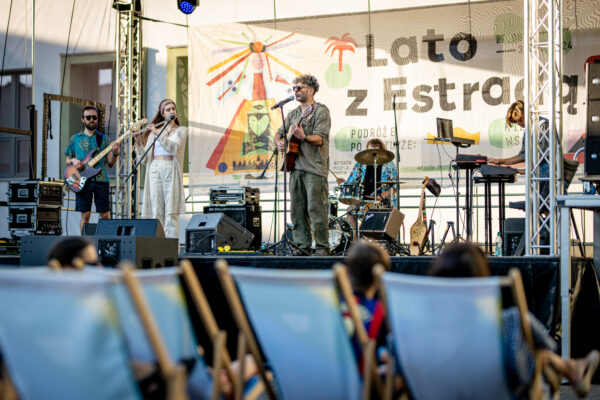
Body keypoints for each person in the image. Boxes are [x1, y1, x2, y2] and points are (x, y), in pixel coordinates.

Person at [428, 242, 600, 398]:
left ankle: (571, 369)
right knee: (535, 351)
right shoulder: (510, 322)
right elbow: (547, 347)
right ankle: (570, 369)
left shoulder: (420, 331)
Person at [274, 75, 331, 256]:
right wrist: (279, 142)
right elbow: (278, 133)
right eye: (294, 88)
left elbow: (320, 138)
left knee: (316, 211)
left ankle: (322, 248)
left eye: (299, 87)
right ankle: (302, 246)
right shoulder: (293, 113)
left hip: (315, 168)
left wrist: (303, 137)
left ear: (311, 90)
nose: (296, 91)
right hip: (295, 167)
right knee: (297, 212)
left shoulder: (320, 111)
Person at [134, 99, 187, 239]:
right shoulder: (153, 133)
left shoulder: (181, 131)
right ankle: (158, 245)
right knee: (156, 211)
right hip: (154, 169)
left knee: (171, 212)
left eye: (173, 108)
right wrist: (138, 142)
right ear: (162, 114)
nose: (172, 111)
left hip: (170, 168)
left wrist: (158, 133)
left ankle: (171, 246)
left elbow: (174, 148)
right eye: (168, 110)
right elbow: (144, 159)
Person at [65, 105, 120, 233]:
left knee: (105, 215)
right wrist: (74, 160)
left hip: (101, 180)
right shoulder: (75, 138)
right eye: (88, 117)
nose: (91, 120)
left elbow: (110, 163)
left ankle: (105, 242)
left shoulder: (104, 139)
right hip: (81, 180)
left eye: (94, 117)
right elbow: (67, 159)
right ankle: (84, 242)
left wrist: (115, 153)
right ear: (82, 119)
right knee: (85, 215)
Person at [336, 138, 398, 234]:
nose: (373, 154)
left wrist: (383, 195)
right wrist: (343, 183)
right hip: (363, 201)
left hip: (382, 202)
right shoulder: (361, 163)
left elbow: (395, 187)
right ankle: (356, 239)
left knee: (373, 214)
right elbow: (352, 181)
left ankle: (371, 238)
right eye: (370, 151)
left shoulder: (389, 164)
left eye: (376, 152)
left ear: (382, 151)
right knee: (349, 211)